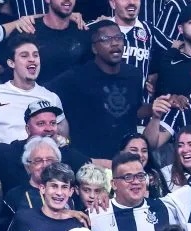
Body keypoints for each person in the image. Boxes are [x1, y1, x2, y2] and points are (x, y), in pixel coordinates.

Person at [48, 21, 144, 162]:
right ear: (94, 48)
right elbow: (44, 94)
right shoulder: (75, 77)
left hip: (124, 162)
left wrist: (158, 108)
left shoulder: (134, 74)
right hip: (90, 164)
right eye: (106, 39)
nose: (115, 43)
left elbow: (134, 110)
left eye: (118, 38)